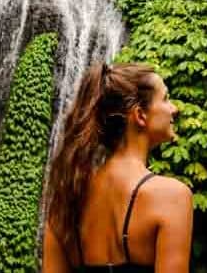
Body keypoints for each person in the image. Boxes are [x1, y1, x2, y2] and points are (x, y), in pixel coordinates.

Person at [43, 62, 193, 272]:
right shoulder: (171, 197)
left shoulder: (66, 201)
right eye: (166, 99)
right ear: (140, 115)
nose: (174, 109)